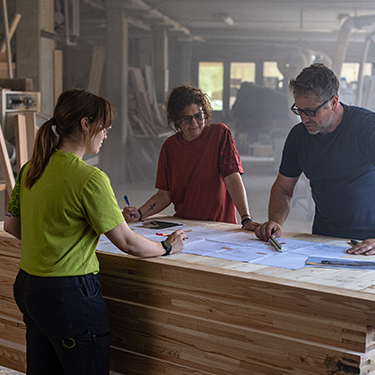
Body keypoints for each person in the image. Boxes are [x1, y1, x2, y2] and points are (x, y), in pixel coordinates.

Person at [4, 89, 186, 375]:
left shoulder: (31, 168)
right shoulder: (90, 179)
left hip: (29, 287)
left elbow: (11, 225)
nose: (106, 135)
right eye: (105, 128)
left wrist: (50, 241)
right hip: (69, 295)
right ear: (85, 124)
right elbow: (127, 242)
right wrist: (166, 247)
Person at [255, 63, 375, 256]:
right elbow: (283, 188)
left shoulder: (366, 127)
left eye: (311, 111)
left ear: (333, 102)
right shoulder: (298, 137)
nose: (303, 119)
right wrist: (276, 222)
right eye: (299, 110)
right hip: (323, 237)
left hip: (369, 241)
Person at [123, 85, 259, 230]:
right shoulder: (170, 147)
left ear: (204, 114)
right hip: (185, 226)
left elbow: (232, 179)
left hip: (219, 227)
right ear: (176, 121)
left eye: (198, 116)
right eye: (186, 119)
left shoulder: (220, 134)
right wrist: (140, 213)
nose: (194, 123)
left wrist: (246, 218)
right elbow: (164, 195)